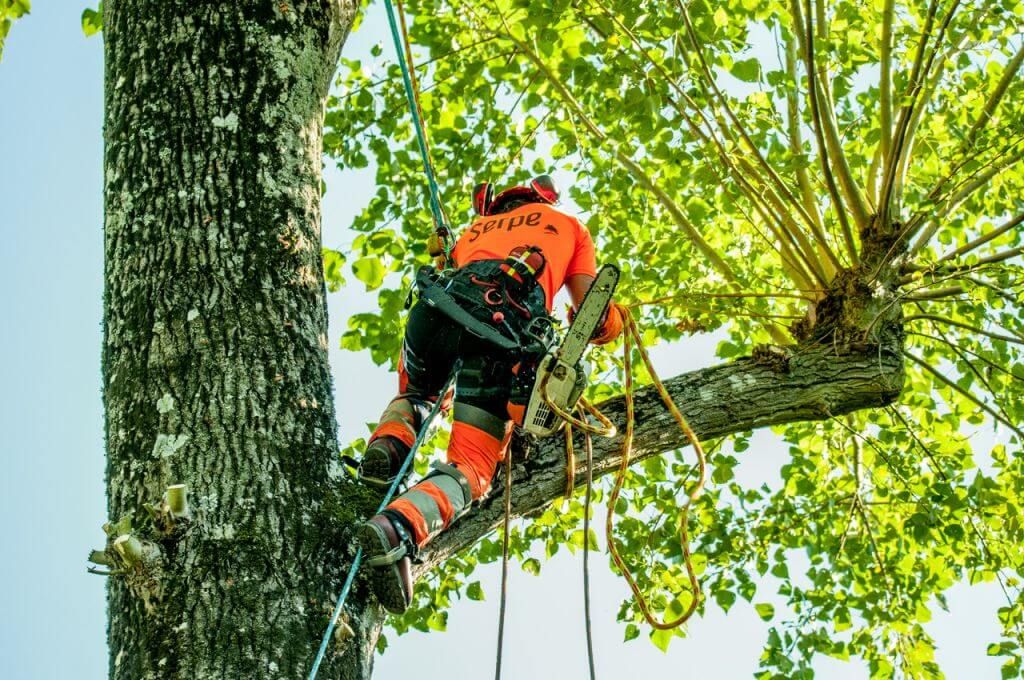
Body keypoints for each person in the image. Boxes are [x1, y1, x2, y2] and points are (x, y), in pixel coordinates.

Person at [356, 174, 624, 614]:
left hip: (434, 312)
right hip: (503, 330)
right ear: (546, 197)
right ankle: (396, 528)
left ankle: (388, 445)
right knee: (475, 465)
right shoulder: (569, 226)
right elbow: (590, 312)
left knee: (419, 393)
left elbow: (451, 271)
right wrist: (614, 321)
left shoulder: (474, 230)